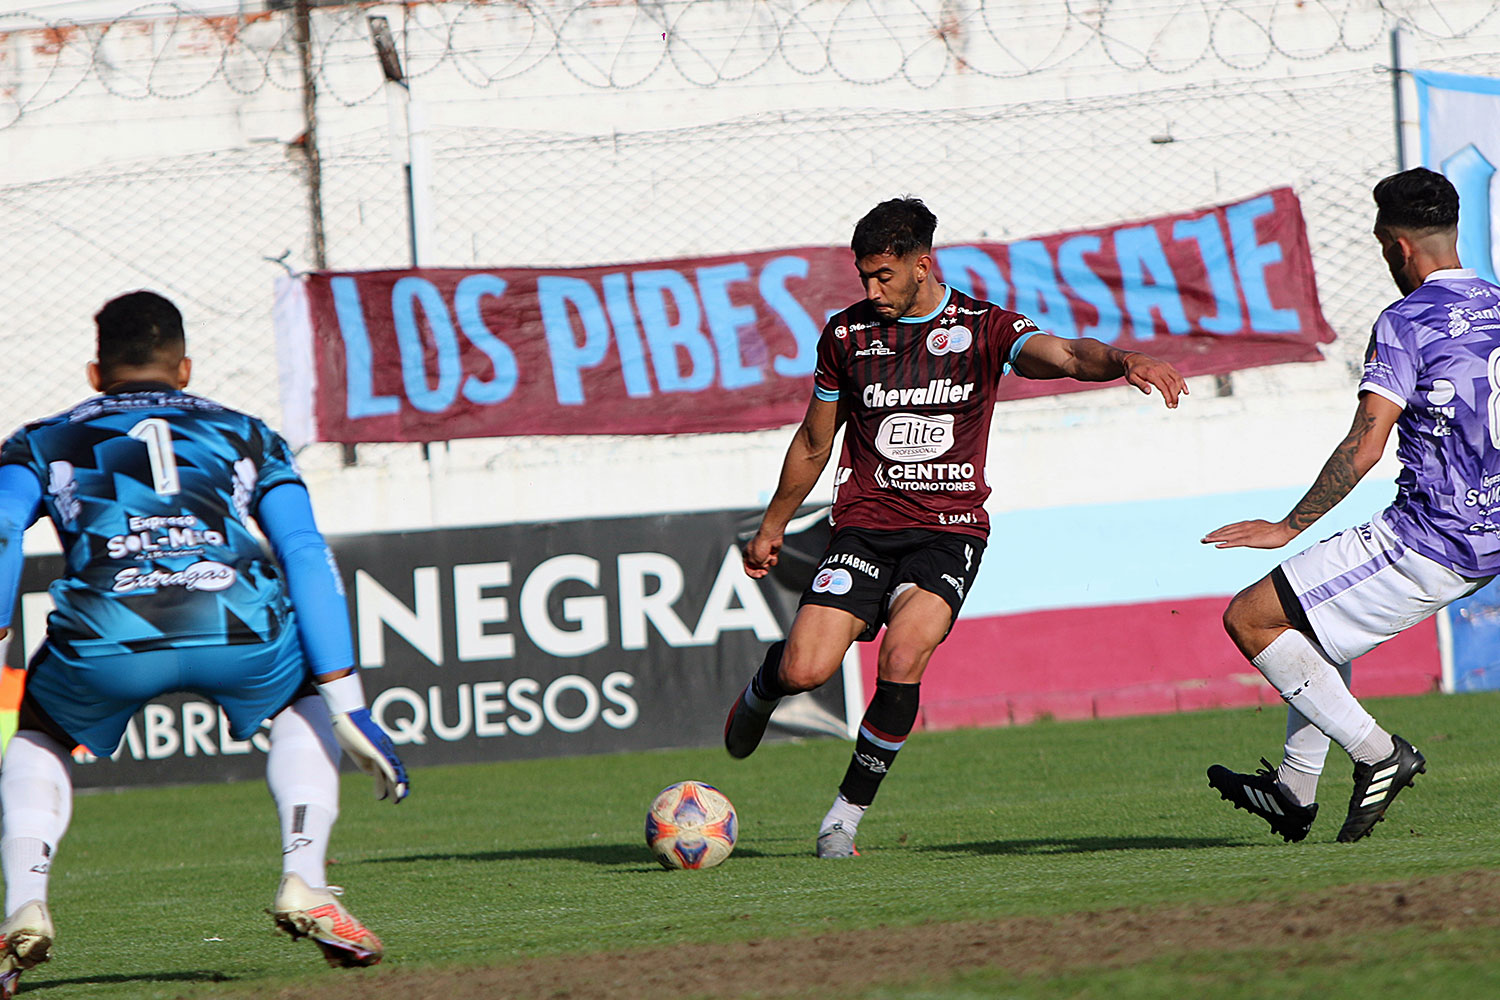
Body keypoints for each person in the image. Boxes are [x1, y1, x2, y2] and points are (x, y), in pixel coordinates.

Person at [723, 197, 1188, 857]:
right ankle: (766, 685)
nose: (872, 289)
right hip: (863, 526)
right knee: (806, 669)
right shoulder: (846, 336)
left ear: (923, 264)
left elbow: (1063, 356)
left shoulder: (982, 327)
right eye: (864, 276)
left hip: (950, 530)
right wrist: (774, 525)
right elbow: (813, 440)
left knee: (903, 655)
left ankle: (842, 820)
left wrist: (1122, 360)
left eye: (884, 275)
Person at [0, 291, 409, 995]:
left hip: (107, 632)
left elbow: (3, 533)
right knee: (302, 700)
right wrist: (348, 700)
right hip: (237, 621)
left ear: (95, 373)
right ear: (184, 368)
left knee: (37, 733)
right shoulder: (246, 433)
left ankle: (22, 906)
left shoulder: (40, 441)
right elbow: (304, 551)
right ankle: (307, 881)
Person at [1202, 167, 1500, 843]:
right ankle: (1292, 792)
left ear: (1397, 248)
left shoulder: (1407, 320)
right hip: (1487, 534)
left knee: (1250, 618)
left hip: (1431, 539)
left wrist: (1288, 526)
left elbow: (1367, 443)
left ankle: (1379, 754)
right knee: (1311, 626)